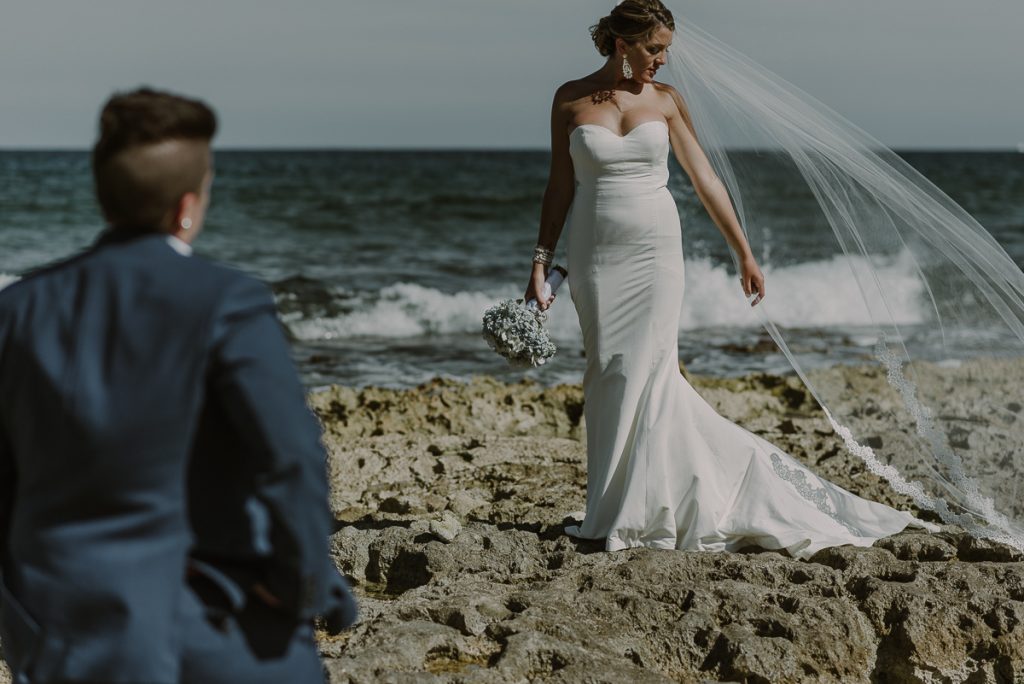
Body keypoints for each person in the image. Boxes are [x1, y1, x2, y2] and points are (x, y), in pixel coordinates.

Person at [524, 0, 936, 558]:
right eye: (654, 49)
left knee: (651, 368)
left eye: (666, 49)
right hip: (596, 255)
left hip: (655, 253)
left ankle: (640, 512)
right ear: (622, 44)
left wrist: (743, 252)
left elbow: (706, 180)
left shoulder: (666, 102)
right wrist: (540, 262)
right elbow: (558, 188)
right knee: (607, 371)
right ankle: (610, 506)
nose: (663, 60)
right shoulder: (568, 99)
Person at [0, 88, 355, 683]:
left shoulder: (16, 311)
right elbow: (292, 458)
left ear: (104, 195)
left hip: (70, 639)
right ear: (187, 206)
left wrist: (25, 635)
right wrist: (302, 587)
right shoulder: (226, 302)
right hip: (214, 634)